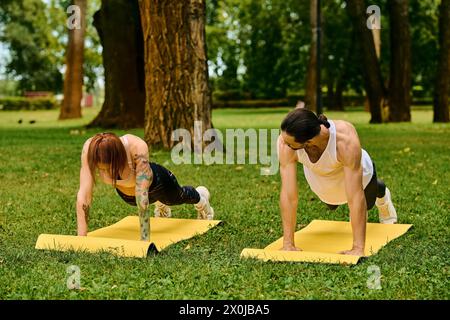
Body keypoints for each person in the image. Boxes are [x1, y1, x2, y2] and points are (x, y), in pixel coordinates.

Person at [278, 108, 397, 256]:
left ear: (308, 141)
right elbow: (289, 196)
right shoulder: (286, 141)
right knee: (331, 204)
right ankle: (336, 197)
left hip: (360, 176)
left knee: (368, 202)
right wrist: (288, 244)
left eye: (289, 143)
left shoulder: (344, 139)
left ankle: (382, 193)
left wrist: (357, 248)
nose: (283, 143)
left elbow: (355, 197)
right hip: (323, 179)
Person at [76, 132, 214, 241]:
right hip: (129, 196)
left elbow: (142, 192)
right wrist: (81, 237)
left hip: (159, 184)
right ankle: (161, 205)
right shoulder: (90, 150)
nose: (105, 173)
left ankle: (201, 198)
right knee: (149, 200)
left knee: (178, 197)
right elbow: (84, 194)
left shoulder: (136, 147)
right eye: (101, 169)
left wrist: (144, 239)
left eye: (108, 169)